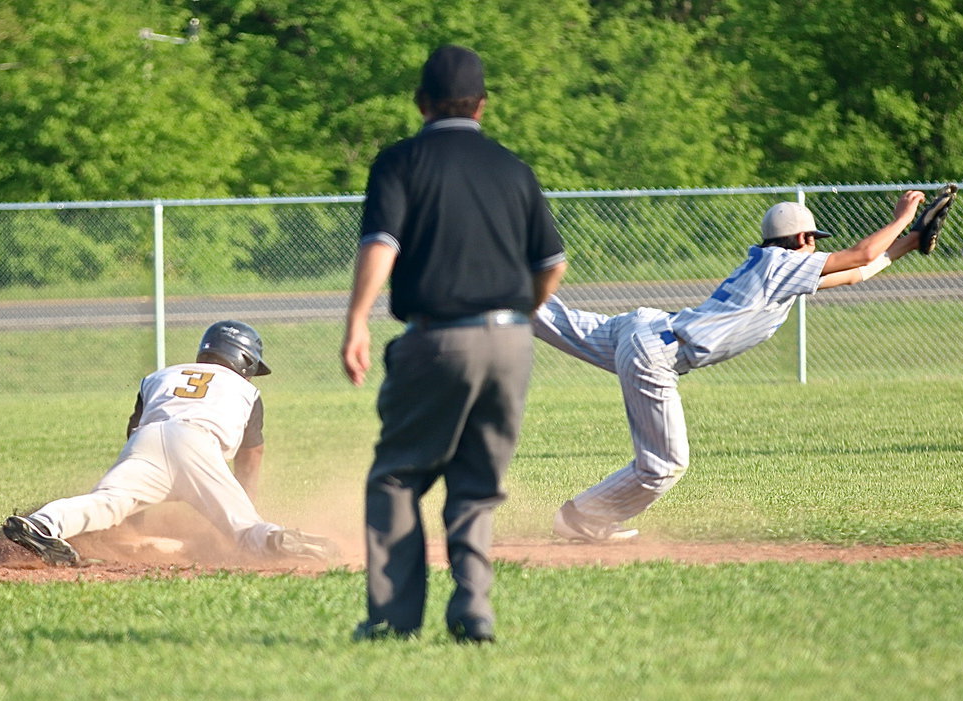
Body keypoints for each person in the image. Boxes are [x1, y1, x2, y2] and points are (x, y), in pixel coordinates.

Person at [535, 191, 928, 542]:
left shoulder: (772, 268)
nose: (817, 248)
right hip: (658, 351)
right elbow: (860, 256)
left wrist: (910, 244)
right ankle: (582, 517)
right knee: (665, 465)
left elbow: (854, 274)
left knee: (549, 316)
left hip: (645, 330)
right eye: (814, 240)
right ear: (801, 240)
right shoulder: (781, 264)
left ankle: (496, 287)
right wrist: (902, 219)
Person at [341, 45, 568, 643]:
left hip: (438, 338)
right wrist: (522, 314)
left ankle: (393, 619)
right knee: (475, 483)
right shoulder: (513, 168)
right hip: (512, 342)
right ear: (482, 106)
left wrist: (357, 319)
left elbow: (382, 244)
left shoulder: (401, 162)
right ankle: (474, 610)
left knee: (397, 475)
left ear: (421, 103)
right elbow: (553, 262)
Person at [3, 320, 338, 566]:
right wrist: (243, 500)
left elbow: (135, 434)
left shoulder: (160, 377)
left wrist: (138, 505)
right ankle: (279, 539)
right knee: (242, 528)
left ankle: (42, 523)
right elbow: (252, 455)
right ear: (244, 361)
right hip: (198, 442)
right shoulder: (244, 390)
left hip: (149, 438)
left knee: (108, 502)